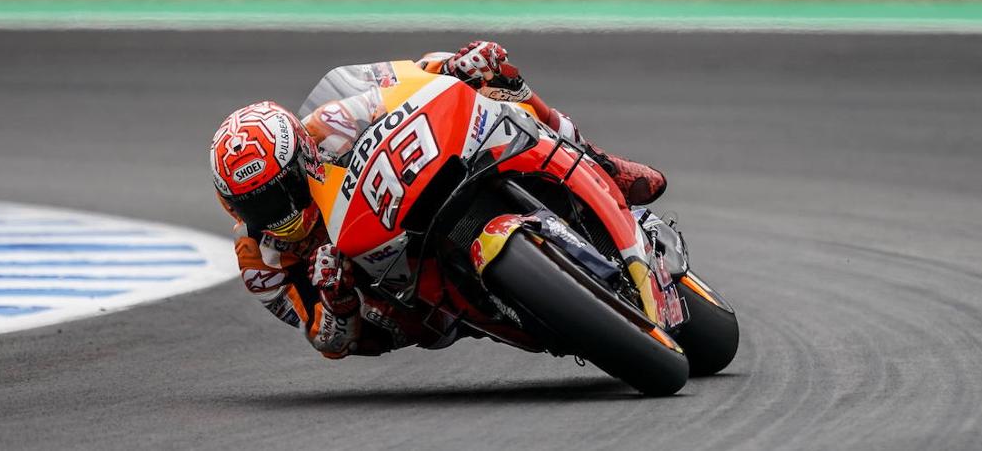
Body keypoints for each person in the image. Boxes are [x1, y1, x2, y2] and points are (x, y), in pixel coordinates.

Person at [209, 41, 665, 359]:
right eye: (258, 206)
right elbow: (329, 342)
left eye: (282, 192)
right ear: (234, 207)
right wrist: (338, 299)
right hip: (399, 298)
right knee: (386, 326)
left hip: (417, 182)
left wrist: (456, 68)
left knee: (495, 80)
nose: (281, 214)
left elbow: (408, 78)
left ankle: (602, 164)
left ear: (302, 158)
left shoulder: (329, 123)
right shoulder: (259, 263)